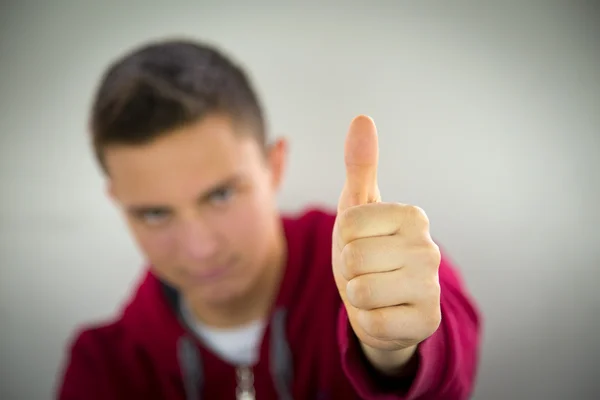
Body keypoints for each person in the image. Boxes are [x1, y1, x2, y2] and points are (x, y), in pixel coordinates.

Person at [57, 38, 481, 400]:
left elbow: (451, 366)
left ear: (274, 166)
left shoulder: (372, 259)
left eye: (221, 195)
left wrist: (394, 353)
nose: (199, 247)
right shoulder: (104, 367)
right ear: (119, 201)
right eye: (154, 213)